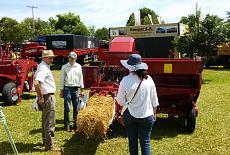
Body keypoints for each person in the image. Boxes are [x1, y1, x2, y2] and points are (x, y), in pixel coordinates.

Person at [116, 54, 159, 155]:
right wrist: (154, 113)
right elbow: (154, 99)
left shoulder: (125, 80)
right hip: (147, 115)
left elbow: (120, 101)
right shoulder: (149, 79)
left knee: (133, 142)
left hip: (130, 115)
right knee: (145, 142)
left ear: (129, 67)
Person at [34, 50, 58, 151]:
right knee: (49, 121)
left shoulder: (43, 66)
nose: (52, 59)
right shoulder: (43, 68)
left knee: (45, 120)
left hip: (46, 95)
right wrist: (40, 97)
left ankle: (46, 140)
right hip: (47, 96)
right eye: (49, 58)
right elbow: (36, 83)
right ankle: (50, 145)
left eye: (52, 57)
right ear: (44, 58)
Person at [59, 52, 84, 132]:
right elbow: (62, 79)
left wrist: (82, 88)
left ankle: (76, 125)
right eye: (70, 58)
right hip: (67, 89)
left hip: (76, 89)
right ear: (68, 58)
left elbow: (81, 77)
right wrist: (61, 90)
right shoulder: (64, 67)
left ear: (76, 58)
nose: (71, 59)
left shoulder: (79, 66)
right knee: (67, 108)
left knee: (76, 108)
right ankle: (67, 125)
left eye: (73, 58)